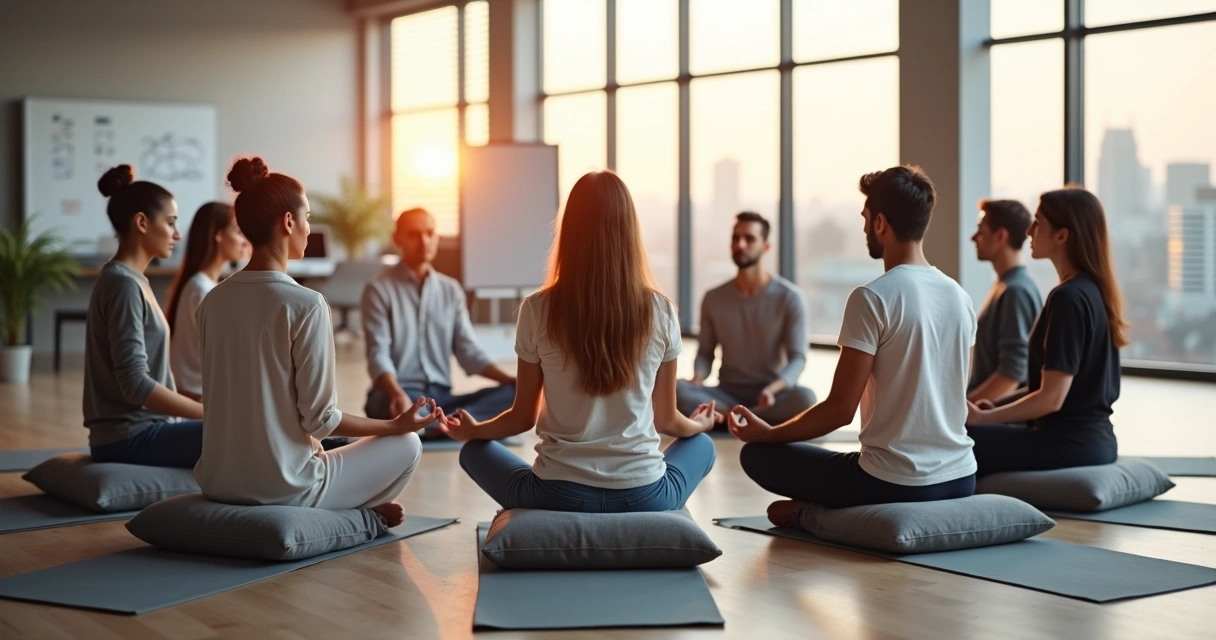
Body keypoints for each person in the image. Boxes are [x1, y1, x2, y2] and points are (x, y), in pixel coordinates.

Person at [436, 170, 719, 512]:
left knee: (474, 450)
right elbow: (667, 420)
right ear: (629, 231)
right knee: (701, 444)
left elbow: (522, 417)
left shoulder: (537, 309)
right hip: (645, 496)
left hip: (556, 494)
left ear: (569, 230)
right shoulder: (661, 311)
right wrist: (700, 424)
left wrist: (475, 430)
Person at [729, 166, 977, 527]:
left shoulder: (872, 297)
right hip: (960, 479)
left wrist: (769, 434)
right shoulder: (960, 296)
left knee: (757, 456)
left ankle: (814, 515)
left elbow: (839, 411)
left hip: (892, 482)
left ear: (880, 223)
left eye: (865, 218)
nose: (862, 229)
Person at [194, 157, 432, 527]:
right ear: (288, 222)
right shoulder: (306, 304)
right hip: (287, 487)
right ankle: (353, 514)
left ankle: (348, 504)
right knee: (408, 444)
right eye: (306, 217)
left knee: (339, 447)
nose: (309, 228)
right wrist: (394, 426)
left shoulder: (213, 300)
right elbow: (321, 420)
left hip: (218, 481)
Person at [966, 187, 1125, 475]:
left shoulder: (1068, 297)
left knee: (957, 439)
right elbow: (1046, 389)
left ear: (1062, 236)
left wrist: (984, 419)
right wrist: (993, 409)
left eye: (1038, 223)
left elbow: (1051, 398)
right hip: (1096, 442)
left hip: (1068, 443)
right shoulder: (1093, 292)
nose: (1029, 230)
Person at [85, 165, 205, 468]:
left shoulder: (132, 280)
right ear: (141, 222)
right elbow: (135, 385)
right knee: (253, 431)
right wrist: (209, 413)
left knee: (255, 429)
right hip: (130, 438)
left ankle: (338, 450)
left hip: (144, 431)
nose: (177, 234)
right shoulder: (123, 284)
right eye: (171, 223)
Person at [361, 208, 516, 438]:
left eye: (429, 233)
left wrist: (512, 381)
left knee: (514, 394)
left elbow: (468, 351)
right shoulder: (378, 289)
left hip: (441, 399)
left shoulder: (450, 290)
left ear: (436, 238)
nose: (423, 241)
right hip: (398, 393)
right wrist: (397, 394)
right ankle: (451, 426)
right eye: (414, 234)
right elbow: (378, 353)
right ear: (397, 239)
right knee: (398, 407)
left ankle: (431, 426)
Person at [677, 212, 816, 426]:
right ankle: (744, 419)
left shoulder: (790, 298)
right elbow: (705, 353)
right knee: (676, 390)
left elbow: (797, 358)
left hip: (769, 396)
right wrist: (698, 378)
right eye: (735, 238)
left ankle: (730, 418)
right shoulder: (713, 298)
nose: (740, 244)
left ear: (766, 246)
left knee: (806, 398)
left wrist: (773, 389)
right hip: (726, 394)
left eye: (749, 239)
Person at [165, 202, 249, 401]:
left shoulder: (201, 286)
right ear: (218, 235)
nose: (245, 241)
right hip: (201, 400)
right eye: (238, 232)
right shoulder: (202, 290)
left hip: (201, 396)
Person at [968, 199, 1042, 403]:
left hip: (999, 423)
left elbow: (1012, 374)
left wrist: (962, 413)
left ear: (1001, 236)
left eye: (980, 231)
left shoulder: (1015, 291)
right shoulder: (1009, 285)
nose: (973, 238)